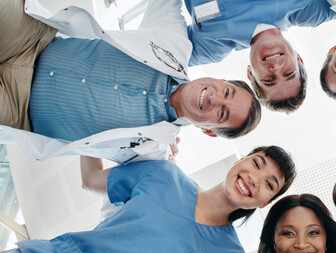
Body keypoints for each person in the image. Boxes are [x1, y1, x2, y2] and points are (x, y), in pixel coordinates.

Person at [0, 145, 296, 253]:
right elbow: (92, 179)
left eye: (269, 184)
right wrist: (89, 133)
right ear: (239, 160)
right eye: (256, 163)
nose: (254, 179)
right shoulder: (165, 176)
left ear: (264, 203)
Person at [1, 0, 261, 162]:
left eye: (222, 113)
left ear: (209, 131)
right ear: (220, 78)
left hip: (16, 107)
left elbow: (107, 187)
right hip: (33, 39)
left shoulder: (151, 151)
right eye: (227, 92)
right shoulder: (174, 45)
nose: (215, 98)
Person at [184, 0, 336, 112]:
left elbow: (164, 62)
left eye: (269, 80)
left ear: (250, 73)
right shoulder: (309, 10)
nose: (276, 68)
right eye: (288, 73)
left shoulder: (212, 47)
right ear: (298, 58)